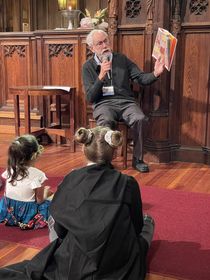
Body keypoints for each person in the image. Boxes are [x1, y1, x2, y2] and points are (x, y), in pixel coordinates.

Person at [0, 126, 154, 280]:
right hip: (115, 262)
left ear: (83, 149)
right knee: (148, 222)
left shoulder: (71, 178)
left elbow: (59, 227)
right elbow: (137, 226)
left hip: (73, 261)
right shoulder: (128, 182)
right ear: (114, 153)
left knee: (55, 218)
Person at [82, 29, 165, 172]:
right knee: (105, 122)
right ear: (92, 48)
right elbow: (90, 97)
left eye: (106, 41)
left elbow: (140, 78)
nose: (104, 45)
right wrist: (101, 76)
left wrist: (155, 73)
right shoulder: (88, 67)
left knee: (140, 118)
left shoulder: (121, 59)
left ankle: (137, 159)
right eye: (99, 43)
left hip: (126, 102)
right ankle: (105, 161)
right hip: (104, 103)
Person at [0, 134, 52, 230]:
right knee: (51, 202)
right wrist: (46, 193)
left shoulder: (10, 169)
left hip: (9, 210)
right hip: (28, 213)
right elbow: (39, 200)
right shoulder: (38, 175)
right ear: (34, 155)